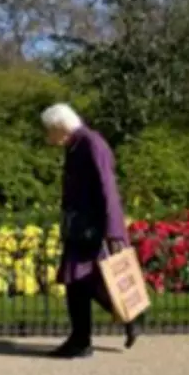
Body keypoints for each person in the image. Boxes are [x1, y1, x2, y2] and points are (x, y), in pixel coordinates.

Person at [40, 102, 138, 359]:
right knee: (84, 282)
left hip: (90, 228)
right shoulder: (76, 145)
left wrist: (115, 230)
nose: (47, 137)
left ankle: (82, 340)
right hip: (80, 227)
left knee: (79, 281)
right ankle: (110, 324)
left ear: (61, 127)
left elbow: (107, 188)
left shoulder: (90, 143)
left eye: (49, 130)